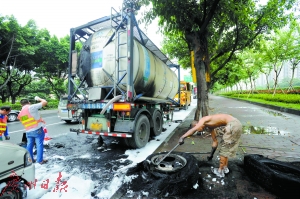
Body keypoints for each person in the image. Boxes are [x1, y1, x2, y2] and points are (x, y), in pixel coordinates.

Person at [178, 113, 242, 178]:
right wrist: (211, 155)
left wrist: (182, 137)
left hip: (233, 124)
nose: (198, 131)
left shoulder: (203, 119)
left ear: (196, 125)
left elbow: (193, 130)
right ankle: (225, 168)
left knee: (224, 150)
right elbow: (215, 141)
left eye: (197, 129)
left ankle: (220, 171)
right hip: (237, 125)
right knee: (227, 148)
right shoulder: (210, 126)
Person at [18, 96, 48, 164]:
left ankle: (30, 160)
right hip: (37, 130)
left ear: (21, 105)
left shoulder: (20, 113)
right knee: (39, 144)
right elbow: (45, 102)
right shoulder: (31, 107)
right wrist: (39, 98)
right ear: (29, 103)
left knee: (29, 145)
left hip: (28, 131)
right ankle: (40, 160)